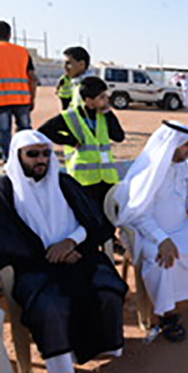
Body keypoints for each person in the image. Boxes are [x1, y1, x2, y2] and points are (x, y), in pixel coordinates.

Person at [0, 130, 127, 373]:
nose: (41, 160)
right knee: (51, 307)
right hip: (34, 267)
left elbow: (92, 220)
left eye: (45, 153)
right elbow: (8, 238)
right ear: (17, 156)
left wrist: (70, 243)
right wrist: (49, 254)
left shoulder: (65, 183)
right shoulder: (5, 191)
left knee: (108, 289)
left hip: (79, 255)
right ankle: (61, 366)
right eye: (32, 154)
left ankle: (107, 347)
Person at [116, 121, 188, 342]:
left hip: (180, 227)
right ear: (171, 145)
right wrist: (162, 239)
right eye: (185, 145)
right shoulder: (150, 170)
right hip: (150, 233)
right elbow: (138, 215)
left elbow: (187, 199)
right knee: (163, 258)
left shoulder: (182, 167)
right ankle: (167, 313)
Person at [39, 76, 125, 213]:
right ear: (89, 100)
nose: (106, 99)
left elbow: (119, 137)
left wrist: (109, 114)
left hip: (106, 179)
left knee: (108, 215)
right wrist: (70, 141)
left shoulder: (104, 115)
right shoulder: (71, 116)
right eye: (101, 97)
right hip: (83, 181)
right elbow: (44, 131)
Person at [0, 21, 36, 161]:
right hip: (22, 99)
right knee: (25, 129)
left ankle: (9, 160)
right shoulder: (22, 52)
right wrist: (32, 98)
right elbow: (32, 77)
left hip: (2, 101)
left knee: (4, 132)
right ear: (10, 35)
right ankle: (28, 157)